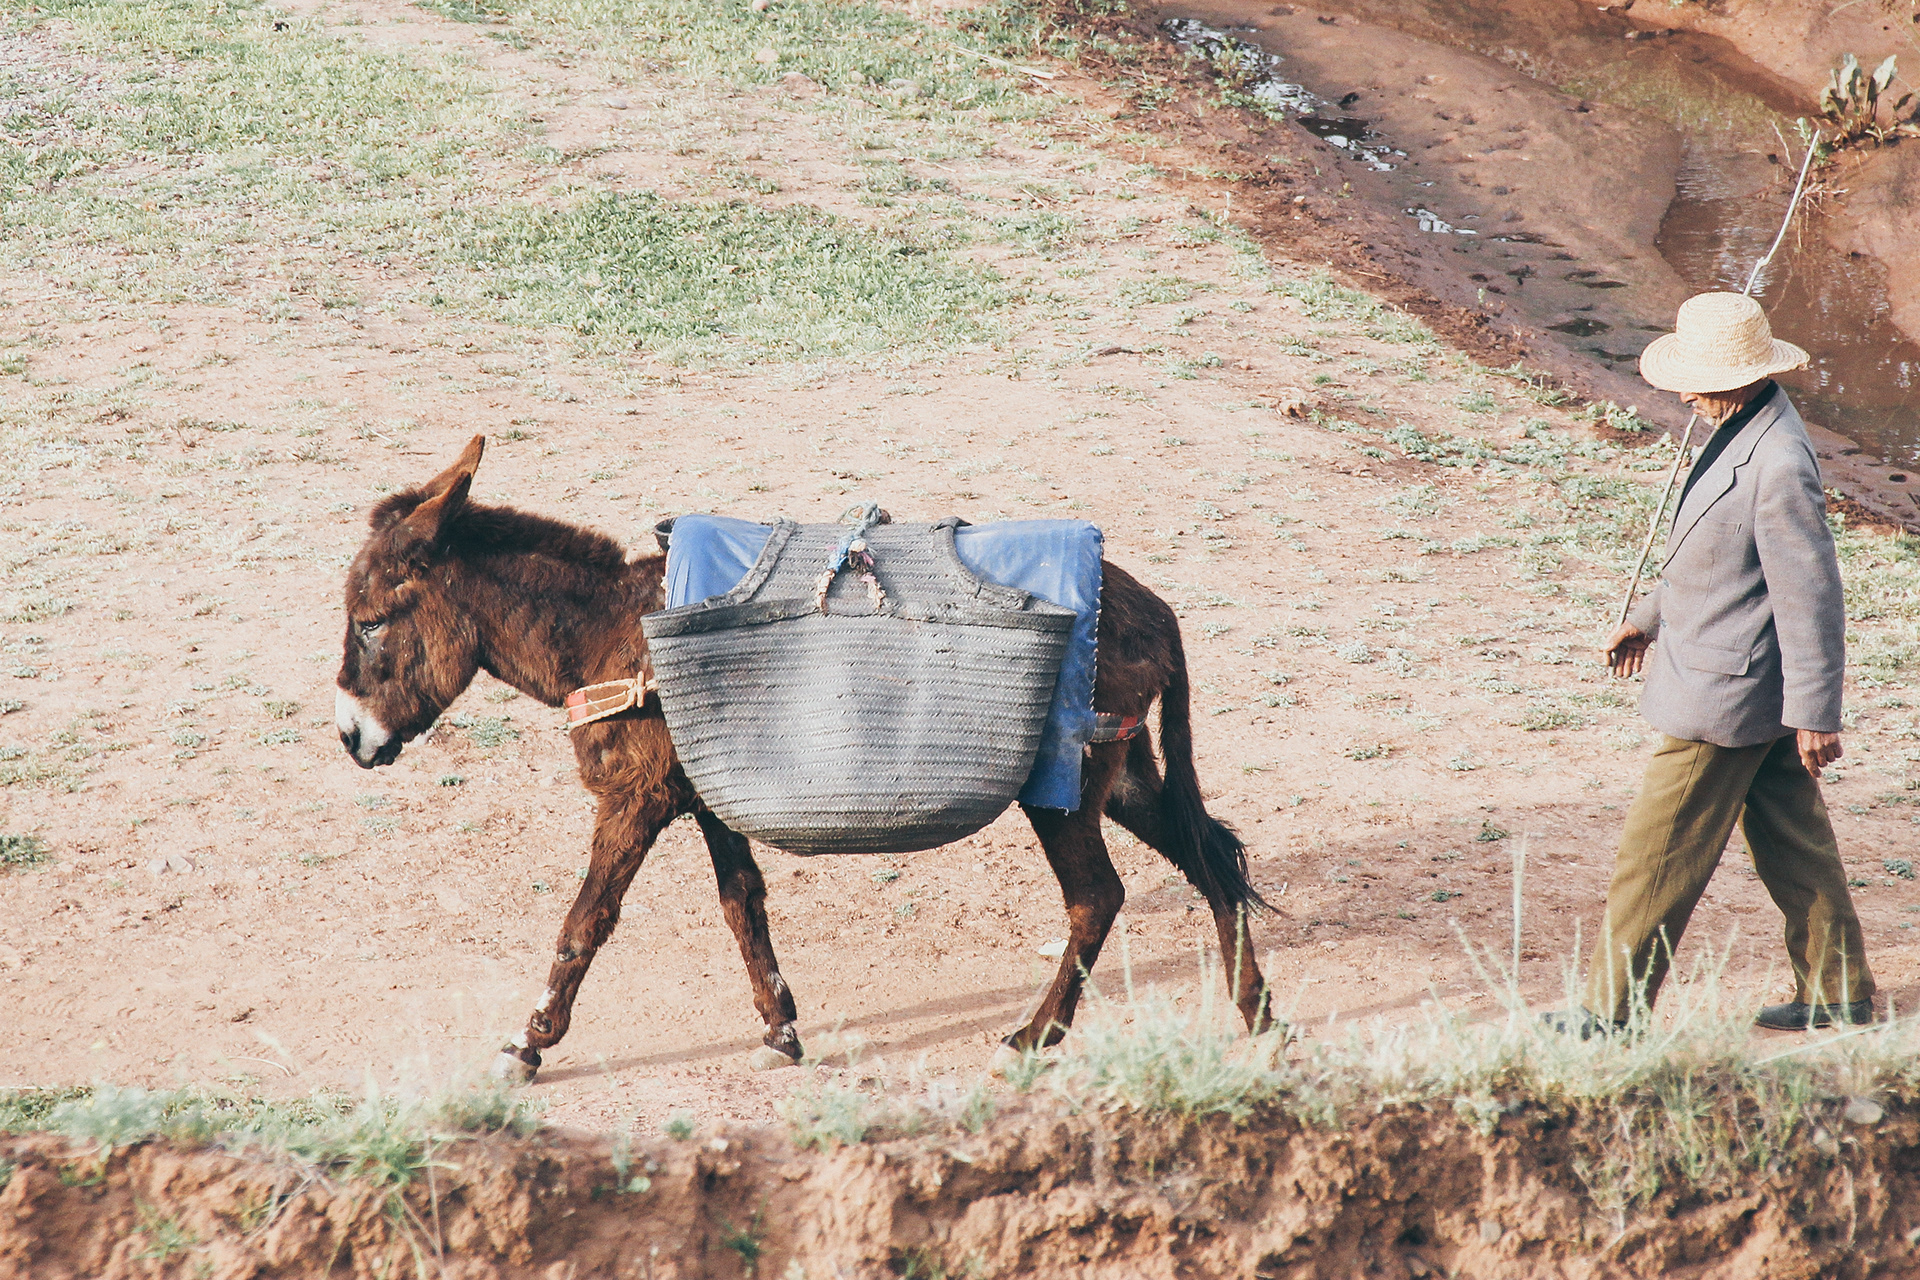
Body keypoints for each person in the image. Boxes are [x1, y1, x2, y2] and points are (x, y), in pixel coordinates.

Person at [1553, 291, 1873, 1036]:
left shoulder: (1779, 461)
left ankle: (1608, 1015)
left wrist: (1816, 714)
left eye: (1698, 381)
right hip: (1744, 684)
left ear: (1743, 377)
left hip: (1726, 697)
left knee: (1655, 856)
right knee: (1795, 846)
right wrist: (1646, 620)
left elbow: (1810, 597)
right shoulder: (1742, 426)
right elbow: (1715, 562)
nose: (1686, 394)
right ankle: (1838, 991)